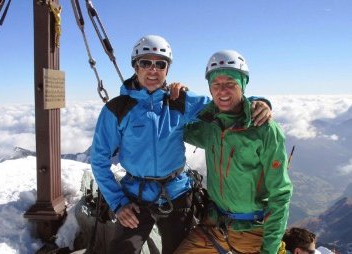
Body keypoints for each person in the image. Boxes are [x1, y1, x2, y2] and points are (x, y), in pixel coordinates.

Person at [90, 36, 271, 254]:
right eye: (146, 63)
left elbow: (224, 102)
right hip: (135, 197)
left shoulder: (179, 101)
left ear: (168, 69)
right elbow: (99, 160)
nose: (153, 70)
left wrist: (259, 103)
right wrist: (118, 203)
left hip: (176, 193)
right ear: (135, 66)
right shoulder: (117, 109)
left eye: (160, 64)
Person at [174, 50, 293, 254]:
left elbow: (280, 194)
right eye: (216, 85)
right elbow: (175, 129)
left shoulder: (264, 129)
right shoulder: (210, 125)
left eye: (231, 83)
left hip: (253, 231)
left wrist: (270, 249)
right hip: (214, 225)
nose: (223, 91)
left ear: (243, 84)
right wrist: (175, 98)